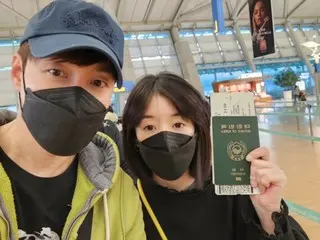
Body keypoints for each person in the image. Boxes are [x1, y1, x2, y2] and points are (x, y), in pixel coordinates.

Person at [0, 0, 145, 239]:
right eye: (57, 72)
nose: (76, 98)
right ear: (18, 72)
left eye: (97, 82)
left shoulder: (119, 195)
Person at [122, 72, 309, 240]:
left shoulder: (237, 192)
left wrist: (268, 213)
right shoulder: (126, 200)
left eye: (178, 125)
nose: (165, 137)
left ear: (198, 130)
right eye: (149, 127)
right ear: (134, 139)